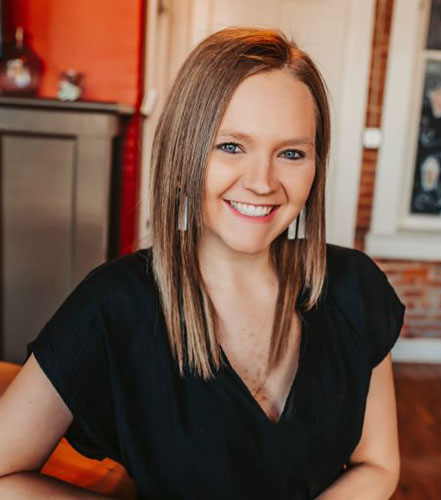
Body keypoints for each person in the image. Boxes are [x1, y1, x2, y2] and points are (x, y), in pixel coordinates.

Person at [0, 27, 406, 499]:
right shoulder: (114, 306)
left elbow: (377, 464)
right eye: (231, 146)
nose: (262, 182)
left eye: (291, 153)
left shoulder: (354, 289)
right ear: (184, 154)